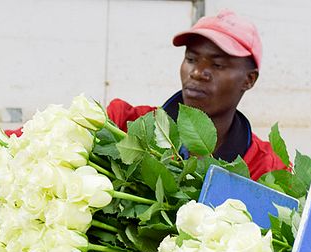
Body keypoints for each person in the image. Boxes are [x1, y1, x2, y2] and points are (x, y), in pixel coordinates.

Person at [106, 9, 288, 180]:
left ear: (249, 79)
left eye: (217, 65)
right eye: (191, 60)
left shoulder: (269, 171)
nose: (197, 72)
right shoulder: (123, 125)